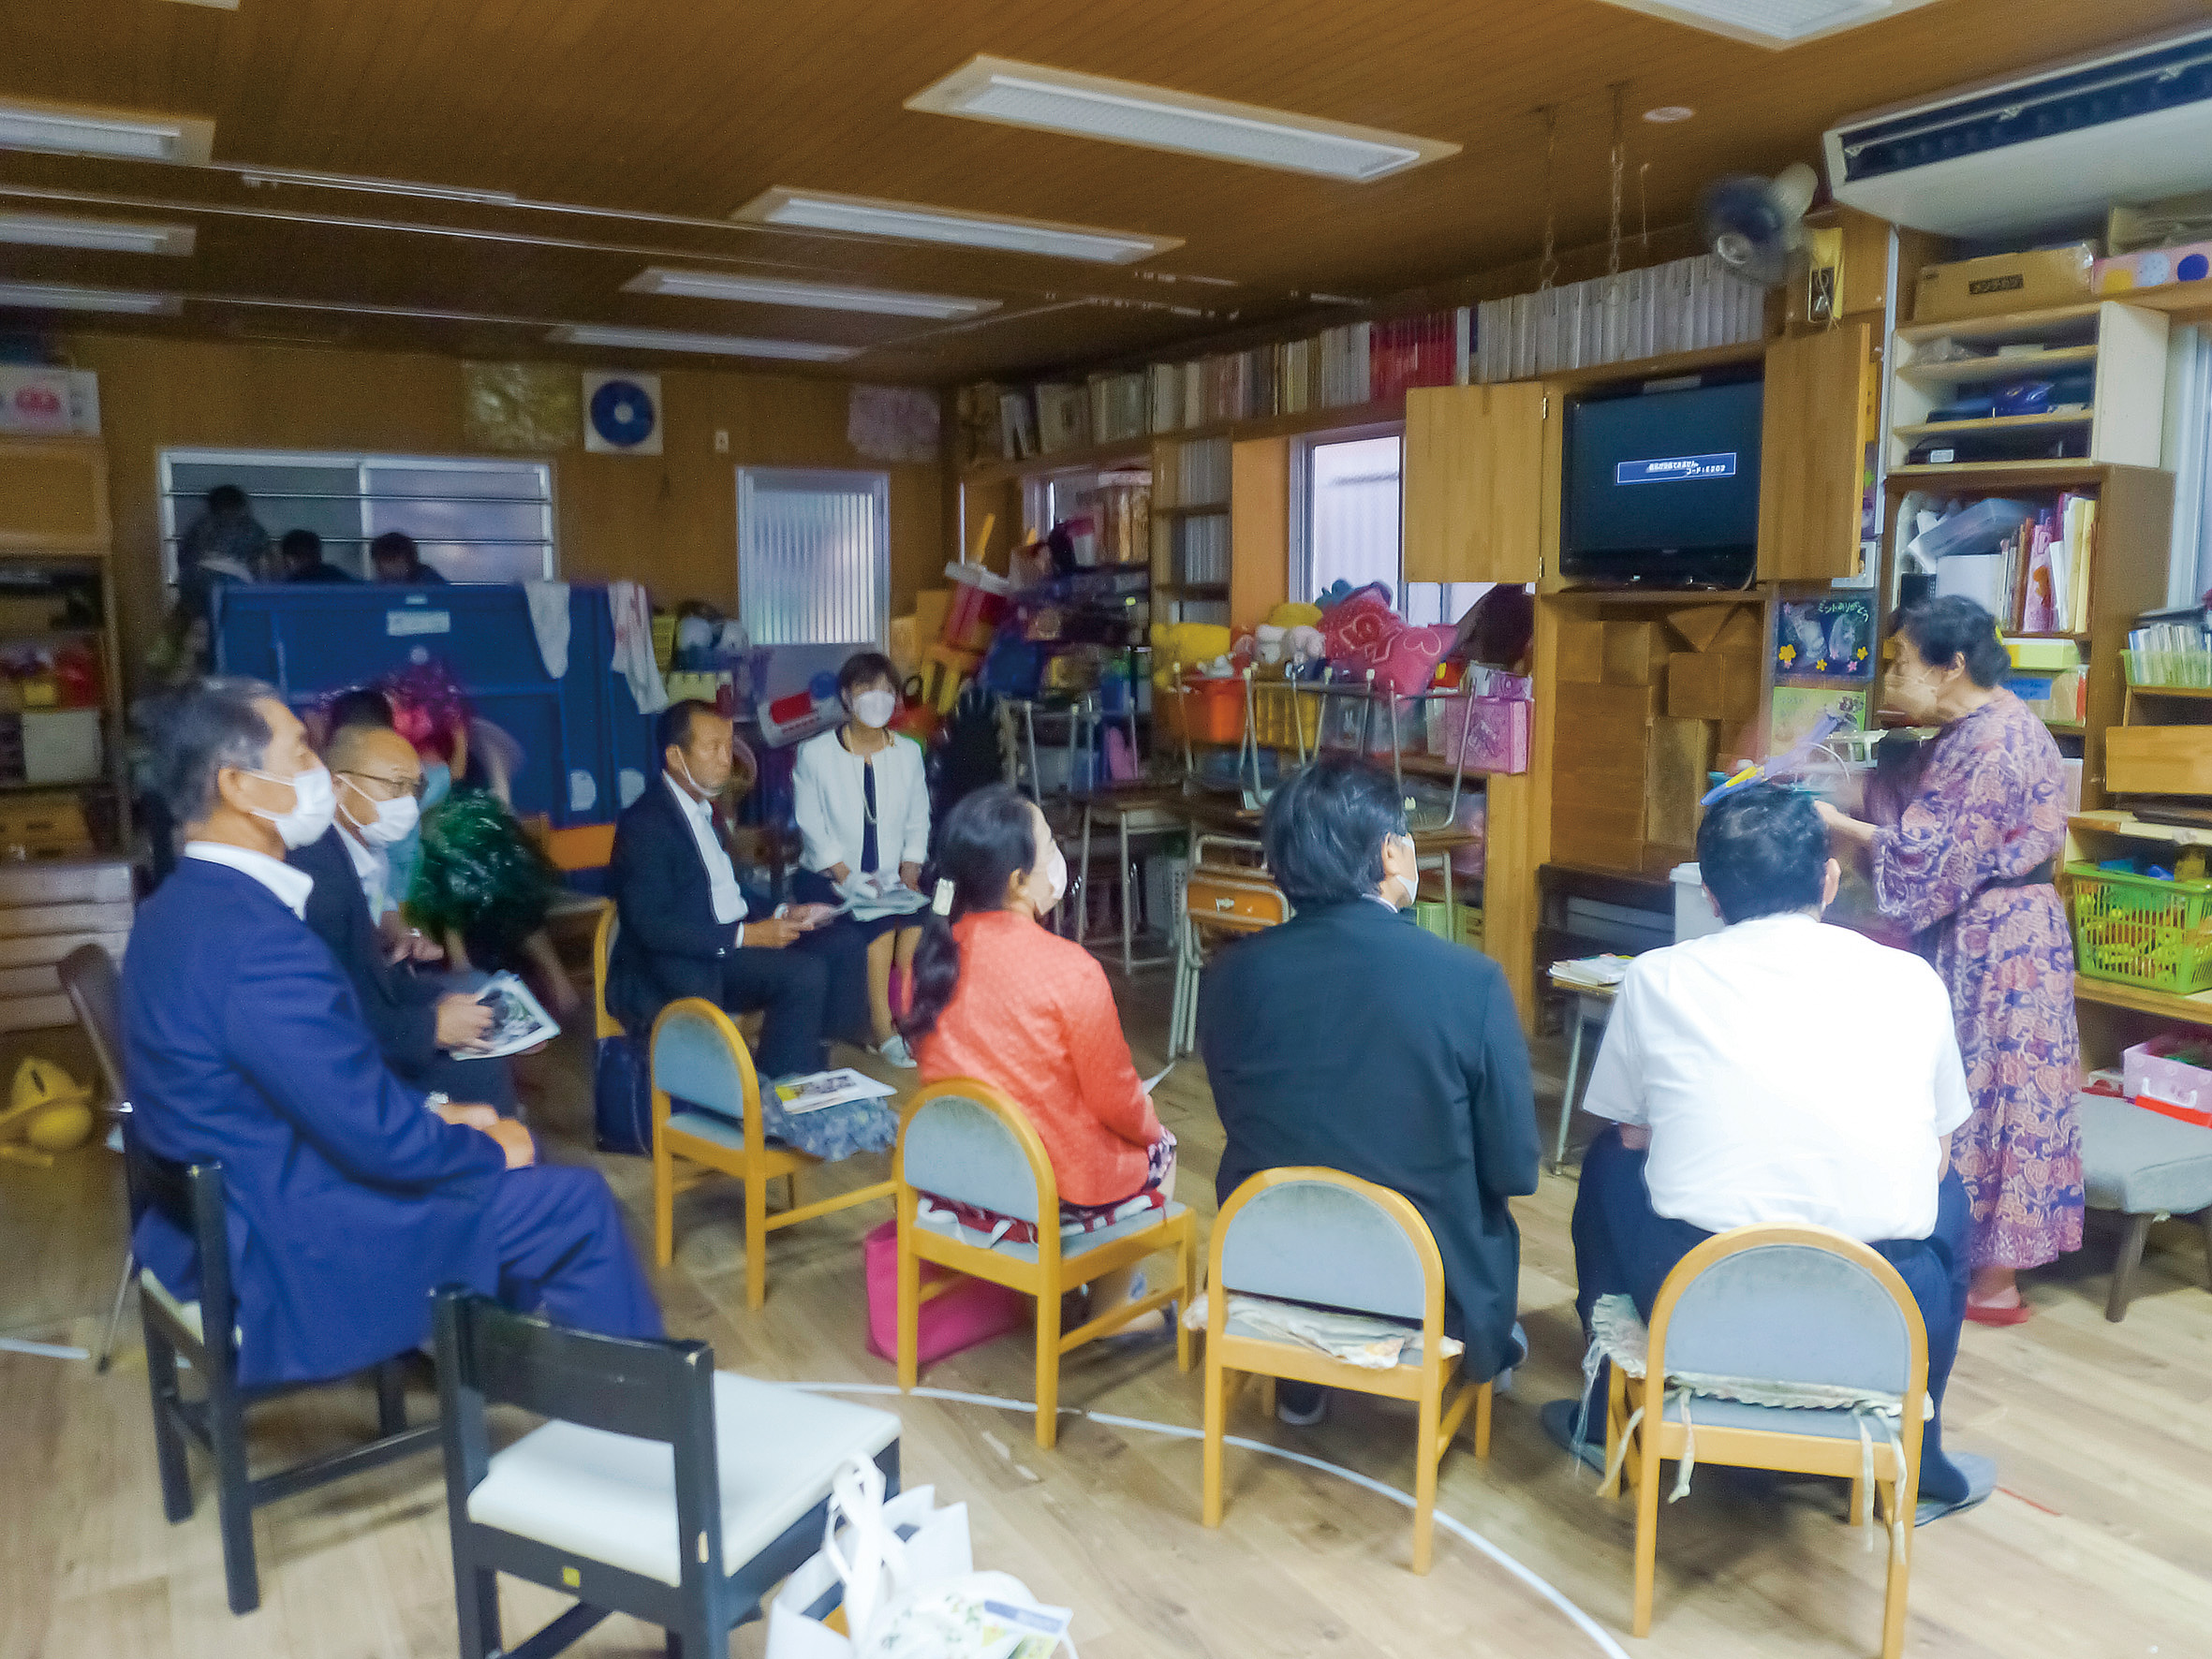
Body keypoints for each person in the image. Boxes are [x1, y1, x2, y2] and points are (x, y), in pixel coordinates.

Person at [123, 678, 659, 1387]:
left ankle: (499, 1367)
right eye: (301, 754)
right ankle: (636, 1410)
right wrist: (477, 1143)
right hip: (295, 1238)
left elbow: (309, 1087)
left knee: (490, 1148)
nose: (317, 772)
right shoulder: (257, 943)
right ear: (239, 788)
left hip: (226, 1209)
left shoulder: (172, 912)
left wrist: (436, 1113)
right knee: (575, 1202)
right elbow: (370, 1134)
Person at [1547, 784, 1990, 1522]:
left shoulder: (1657, 977)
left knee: (1606, 1165)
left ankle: (1603, 1418)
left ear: (1712, 897)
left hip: (1695, 1290)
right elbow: (1939, 1153)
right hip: (1883, 1303)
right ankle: (1921, 1456)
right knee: (1948, 1197)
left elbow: (1631, 1135)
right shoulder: (1913, 979)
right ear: (1828, 880)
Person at [1197, 758, 1538, 1423]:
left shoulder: (1229, 976)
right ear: (1389, 852)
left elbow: (1244, 1112)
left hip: (1268, 1263)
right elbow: (1515, 1168)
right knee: (1477, 1214)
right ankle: (1478, 1347)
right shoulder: (1469, 981)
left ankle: (1300, 1375)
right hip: (1419, 1282)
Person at [1816, 595, 2081, 1326]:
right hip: (1983, 927)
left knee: (1993, 1090)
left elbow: (1935, 857)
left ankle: (1992, 1280)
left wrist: (1841, 824)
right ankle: (1968, 1260)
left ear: (1951, 665)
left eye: (1902, 661)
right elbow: (1924, 813)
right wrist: (1857, 791)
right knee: (1970, 1083)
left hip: (2005, 942)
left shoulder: (1995, 743)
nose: (1892, 677)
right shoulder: (1968, 731)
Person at [907, 785, 1172, 1315]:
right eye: (1049, 845)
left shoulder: (931, 961)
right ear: (1016, 880)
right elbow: (1116, 1099)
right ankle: (1112, 1310)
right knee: (1161, 1147)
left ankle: (1061, 1289)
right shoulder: (1070, 968)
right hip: (1046, 1189)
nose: (1058, 857)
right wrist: (1151, 1127)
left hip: (954, 1179)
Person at [609, 699, 891, 1158]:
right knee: (802, 975)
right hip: (676, 965)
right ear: (676, 757)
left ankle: (807, 1070)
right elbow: (652, 926)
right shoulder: (646, 824)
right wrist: (748, 936)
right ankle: (774, 1110)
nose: (727, 758)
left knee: (841, 941)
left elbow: (728, 894)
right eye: (713, 748)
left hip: (720, 948)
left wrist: (784, 911)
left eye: (728, 746)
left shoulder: (705, 813)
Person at [289, 719, 521, 1116]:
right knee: (480, 1070)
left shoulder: (362, 850)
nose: (408, 804)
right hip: (347, 1061)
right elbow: (337, 1007)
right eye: (394, 786)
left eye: (414, 789)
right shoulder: (319, 871)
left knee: (480, 1016)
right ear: (337, 786)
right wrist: (433, 1026)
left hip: (379, 1012)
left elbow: (369, 952)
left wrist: (407, 951)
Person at [793, 652, 931, 1067]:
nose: (877, 697)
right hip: (827, 877)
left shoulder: (908, 753)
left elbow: (918, 819)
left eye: (887, 689)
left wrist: (910, 871)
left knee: (914, 925)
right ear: (846, 697)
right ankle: (883, 1030)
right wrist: (849, 878)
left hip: (893, 880)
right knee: (880, 925)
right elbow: (812, 827)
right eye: (866, 688)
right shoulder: (815, 754)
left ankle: (910, 1020)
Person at [177, 484, 272, 590]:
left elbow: (183, 557)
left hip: (200, 579)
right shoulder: (252, 528)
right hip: (230, 581)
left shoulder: (199, 526)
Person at [277, 526, 357, 583]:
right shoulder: (283, 584)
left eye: (308, 554)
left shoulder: (334, 577)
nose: (306, 560)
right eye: (299, 555)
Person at [370, 530, 448, 585]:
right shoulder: (374, 587)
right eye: (378, 561)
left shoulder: (430, 582)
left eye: (391, 560)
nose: (383, 567)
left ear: (409, 560)